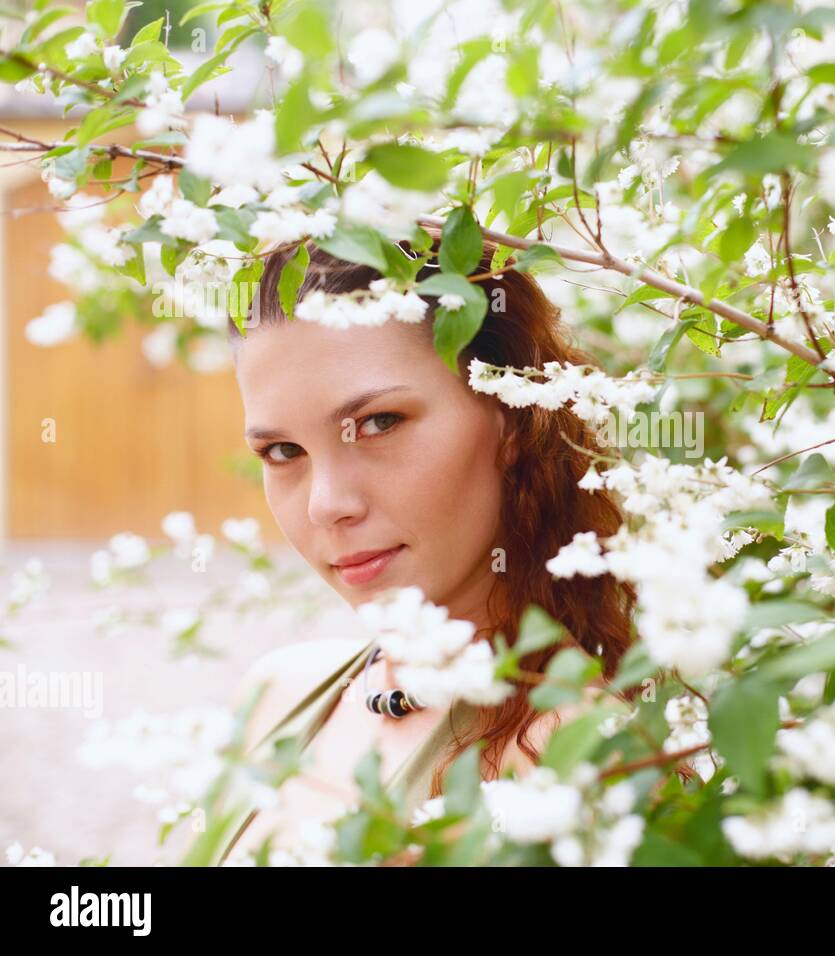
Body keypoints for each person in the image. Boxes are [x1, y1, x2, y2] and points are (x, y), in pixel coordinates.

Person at [202, 235, 636, 864]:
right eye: (283, 452)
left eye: (379, 423)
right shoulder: (274, 696)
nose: (327, 504)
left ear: (511, 415)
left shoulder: (579, 760)